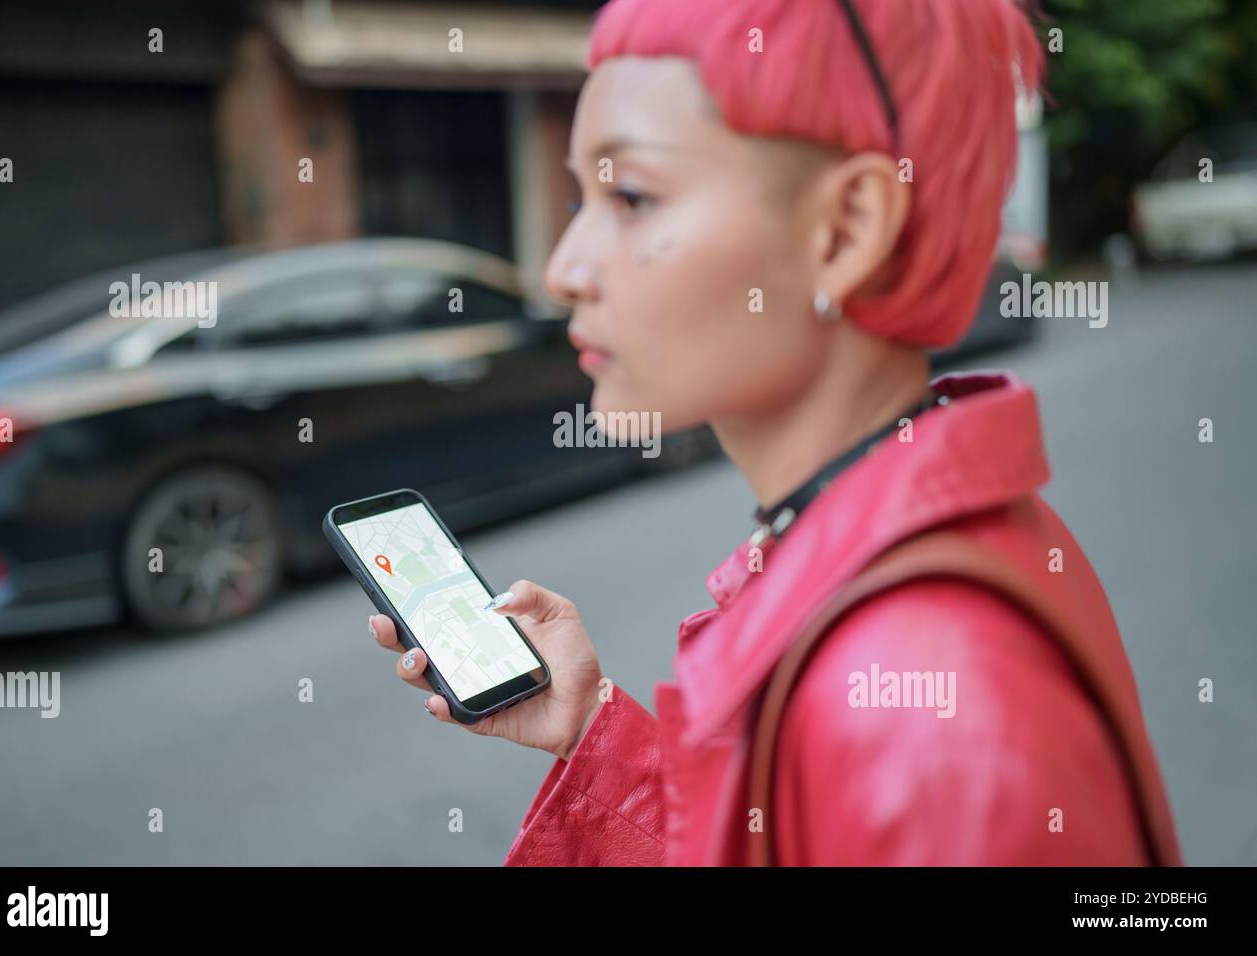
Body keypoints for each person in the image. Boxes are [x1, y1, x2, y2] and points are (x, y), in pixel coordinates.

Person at [370, 0, 1182, 865]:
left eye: (632, 196)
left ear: (847, 229)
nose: (564, 269)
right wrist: (590, 728)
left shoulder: (924, 719)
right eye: (581, 196)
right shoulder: (912, 566)